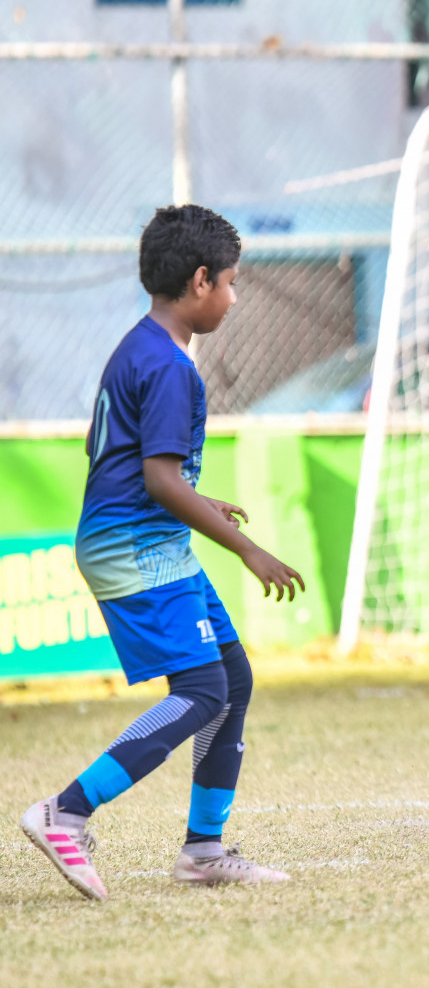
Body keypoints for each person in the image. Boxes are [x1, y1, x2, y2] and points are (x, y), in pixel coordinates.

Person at [22, 205, 305, 901]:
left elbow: (117, 459)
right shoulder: (174, 369)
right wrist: (248, 549)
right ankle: (66, 811)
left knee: (231, 682)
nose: (235, 300)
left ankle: (203, 850)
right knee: (202, 691)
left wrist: (202, 507)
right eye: (232, 284)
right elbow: (158, 478)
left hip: (150, 537)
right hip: (133, 547)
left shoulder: (138, 347)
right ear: (201, 281)